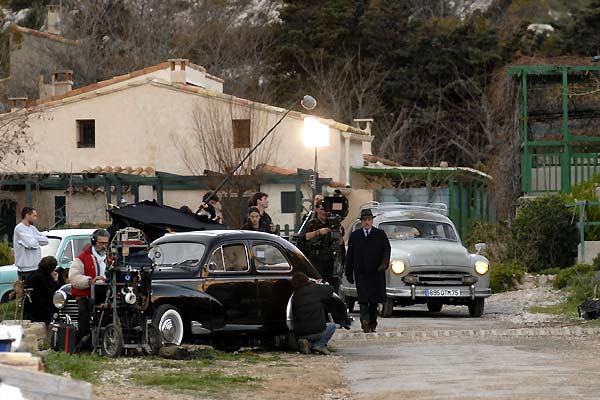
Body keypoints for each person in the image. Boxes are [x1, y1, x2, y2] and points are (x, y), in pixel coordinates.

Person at [345, 209, 391, 333]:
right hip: (361, 272)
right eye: (364, 220)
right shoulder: (355, 236)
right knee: (363, 299)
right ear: (361, 221)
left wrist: (384, 263)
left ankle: (372, 323)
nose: (367, 222)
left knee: (374, 300)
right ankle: (364, 321)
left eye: (369, 220)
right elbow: (350, 255)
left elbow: (387, 250)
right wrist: (348, 272)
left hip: (376, 272)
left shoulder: (380, 234)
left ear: (372, 221)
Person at [68, 229, 111, 351]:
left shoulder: (111, 258)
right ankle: (85, 344)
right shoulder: (81, 258)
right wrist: (90, 281)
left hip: (107, 293)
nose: (103, 246)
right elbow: (74, 277)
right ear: (93, 242)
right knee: (84, 312)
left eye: (105, 243)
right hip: (86, 294)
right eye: (100, 243)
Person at [296, 200, 345, 292]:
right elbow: (301, 238)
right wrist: (318, 232)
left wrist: (338, 233)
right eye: (322, 209)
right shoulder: (312, 223)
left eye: (326, 210)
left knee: (333, 289)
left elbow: (340, 244)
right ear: (317, 210)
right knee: (317, 288)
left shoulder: (333, 222)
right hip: (316, 261)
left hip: (331, 261)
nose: (324, 212)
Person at [291, 272, 336, 355]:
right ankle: (320, 345)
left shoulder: (296, 295)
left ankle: (307, 343)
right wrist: (321, 285)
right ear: (306, 279)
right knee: (332, 326)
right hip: (317, 330)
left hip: (301, 332)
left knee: (310, 336)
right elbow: (330, 290)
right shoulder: (315, 288)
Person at [13, 207, 48, 281]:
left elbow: (45, 240)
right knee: (27, 291)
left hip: (36, 267)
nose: (36, 218)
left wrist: (33, 237)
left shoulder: (33, 228)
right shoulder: (19, 228)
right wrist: (36, 240)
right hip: (25, 270)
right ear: (27, 215)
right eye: (34, 216)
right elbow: (31, 244)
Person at [23, 256, 60, 325]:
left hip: (29, 311)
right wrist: (55, 281)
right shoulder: (45, 279)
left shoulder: (31, 276)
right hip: (43, 313)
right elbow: (52, 295)